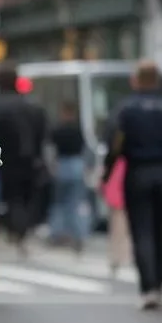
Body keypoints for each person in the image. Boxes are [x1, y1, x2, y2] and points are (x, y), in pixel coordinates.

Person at [102, 60, 162, 310]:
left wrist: (107, 173)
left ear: (136, 80)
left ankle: (148, 286)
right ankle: (160, 280)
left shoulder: (126, 110)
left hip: (138, 173)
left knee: (142, 230)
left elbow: (115, 144)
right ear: (158, 81)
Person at [0, 64, 49, 253]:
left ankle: (12, 229)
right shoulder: (32, 106)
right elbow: (42, 135)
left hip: (2, 161)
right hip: (29, 160)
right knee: (24, 198)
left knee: (9, 198)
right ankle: (21, 230)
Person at [48, 99, 89, 253]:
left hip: (62, 165)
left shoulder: (57, 130)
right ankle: (79, 234)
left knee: (58, 203)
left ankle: (57, 233)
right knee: (76, 203)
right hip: (77, 166)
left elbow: (51, 149)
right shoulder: (78, 129)